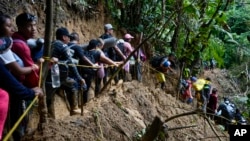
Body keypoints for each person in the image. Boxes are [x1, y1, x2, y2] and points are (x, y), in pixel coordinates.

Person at [46, 27, 85, 117]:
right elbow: (71, 63)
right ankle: (73, 109)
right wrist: (79, 78)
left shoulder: (54, 44)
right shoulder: (62, 46)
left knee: (51, 96)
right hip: (55, 77)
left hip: (56, 76)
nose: (69, 39)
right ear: (64, 37)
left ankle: (51, 116)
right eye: (68, 37)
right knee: (73, 84)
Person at [11, 12, 42, 88]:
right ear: (20, 27)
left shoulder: (14, 37)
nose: (34, 29)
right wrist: (39, 65)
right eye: (29, 26)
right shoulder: (22, 46)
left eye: (34, 25)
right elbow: (31, 73)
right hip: (19, 84)